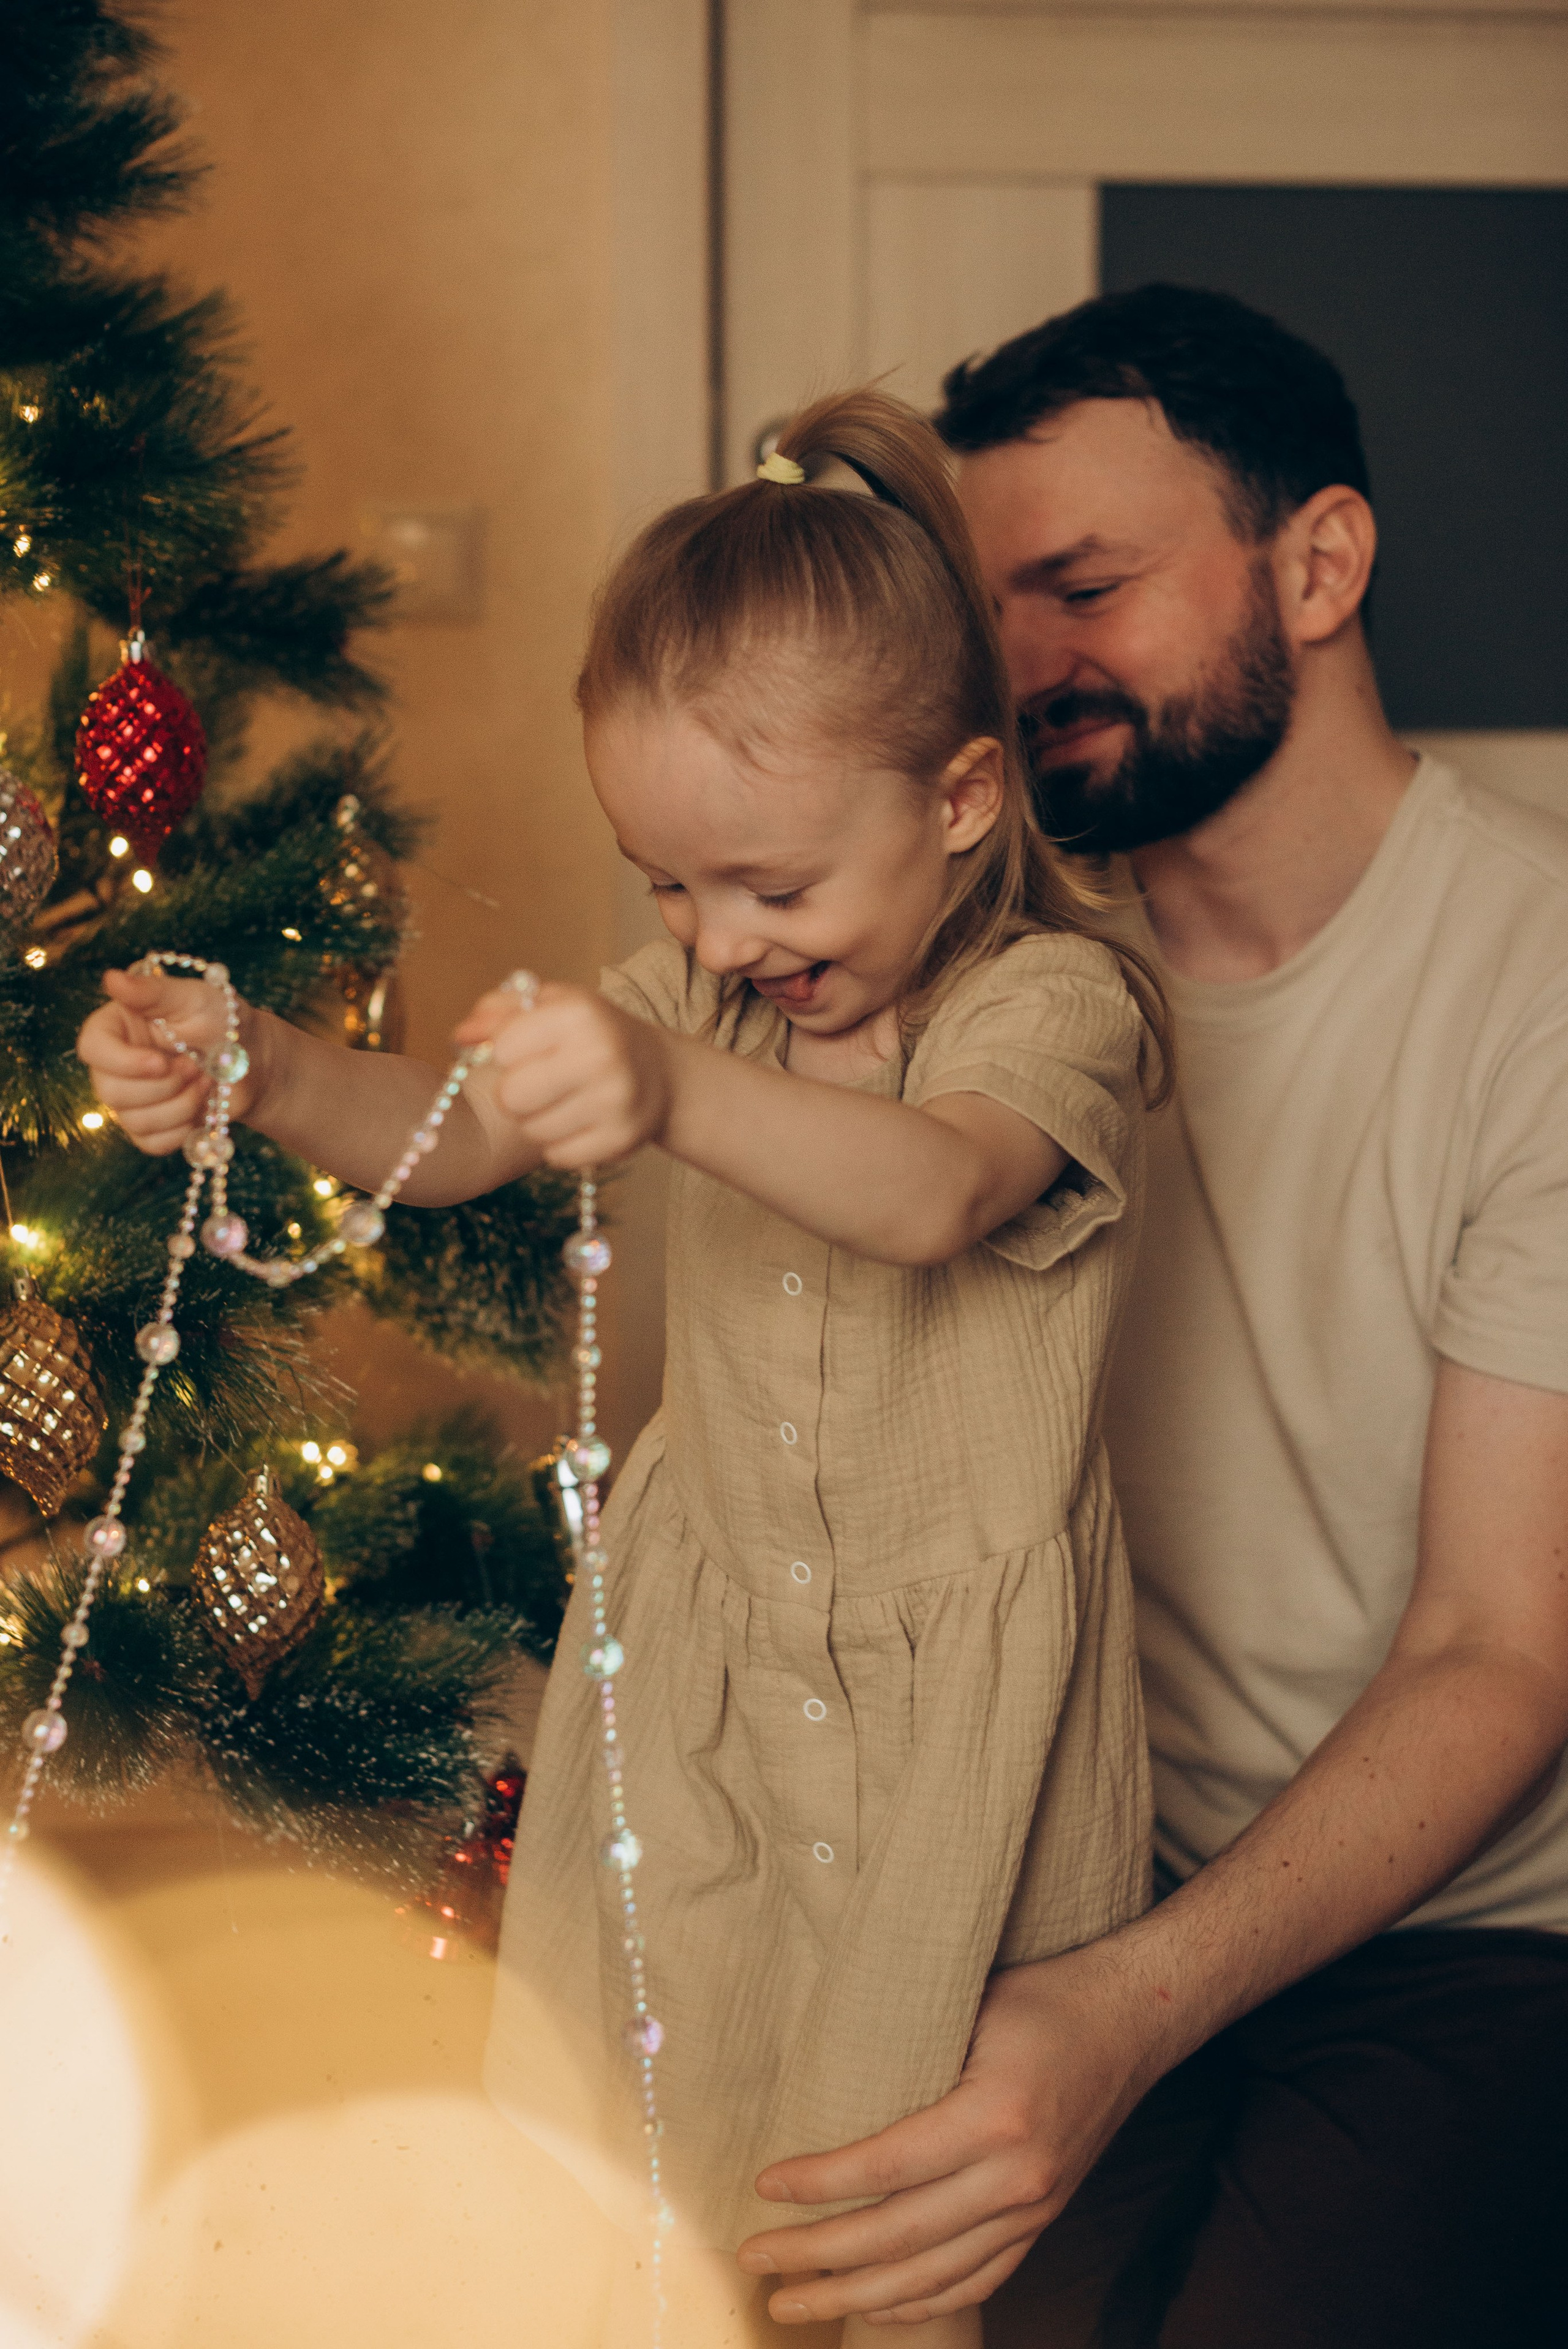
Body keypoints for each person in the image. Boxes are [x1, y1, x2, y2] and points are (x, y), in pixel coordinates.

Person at [77, 388, 1174, 2348]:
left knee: (891, 2211)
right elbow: (460, 1128)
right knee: (644, 2164)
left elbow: (935, 1191)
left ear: (962, 797)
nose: (720, 939)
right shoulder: (699, 996)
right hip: (706, 1677)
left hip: (950, 1735)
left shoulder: (1054, 1006)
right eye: (668, 888)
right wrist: (246, 1062)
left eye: (771, 884)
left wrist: (668, 1082)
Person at [722, 290, 1568, 2345]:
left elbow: (1498, 1649)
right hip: (1076, 1867)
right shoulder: (971, 965)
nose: (1017, 669)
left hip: (1465, 1935)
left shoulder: (1539, 976)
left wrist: (1120, 2011)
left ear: (1322, 563)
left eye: (1083, 585)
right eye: (986, 607)